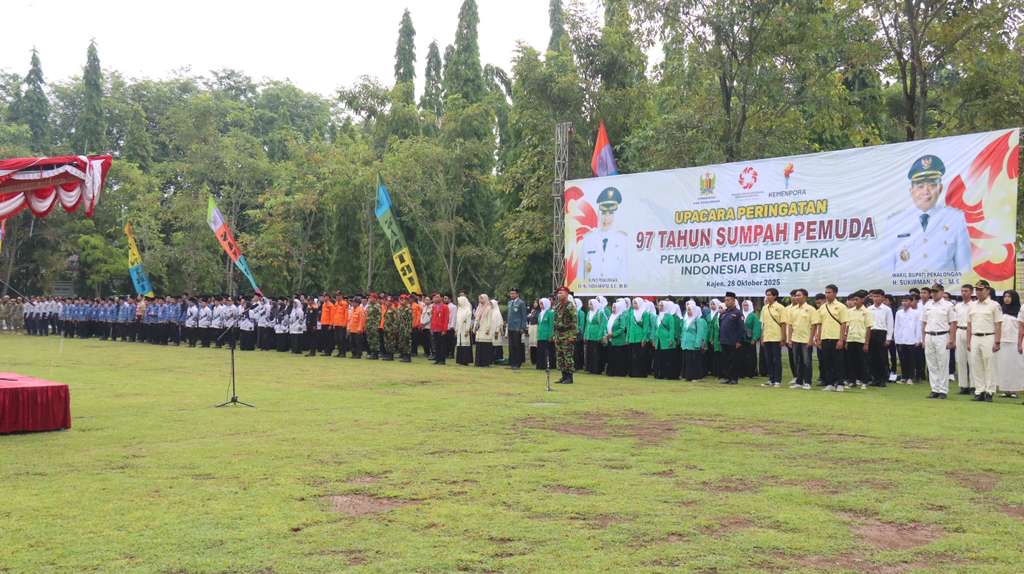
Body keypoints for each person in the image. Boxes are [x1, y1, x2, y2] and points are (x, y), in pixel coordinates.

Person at [885, 154, 972, 272]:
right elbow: (886, 271)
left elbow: (964, 268)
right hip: (906, 284)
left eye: (932, 185)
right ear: (911, 191)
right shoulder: (895, 222)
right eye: (920, 186)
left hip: (943, 284)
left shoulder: (955, 219)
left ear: (940, 189)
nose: (926, 191)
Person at [580, 187, 629, 283]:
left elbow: (627, 273)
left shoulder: (623, 240)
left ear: (615, 215)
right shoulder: (588, 239)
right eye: (603, 213)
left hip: (617, 289)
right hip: (592, 289)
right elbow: (581, 274)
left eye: (610, 213)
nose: (606, 218)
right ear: (599, 214)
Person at [967, 280, 1002, 402]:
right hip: (975, 337)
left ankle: (989, 391)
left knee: (989, 365)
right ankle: (979, 391)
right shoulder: (972, 305)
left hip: (989, 336)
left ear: (988, 290)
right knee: (976, 365)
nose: (978, 292)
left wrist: (997, 341)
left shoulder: (994, 305)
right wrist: (968, 341)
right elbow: (969, 325)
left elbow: (998, 324)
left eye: (981, 289)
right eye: (977, 289)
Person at [921, 284, 956, 399]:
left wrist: (952, 339)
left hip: (942, 335)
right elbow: (924, 322)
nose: (934, 294)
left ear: (942, 292)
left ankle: (943, 390)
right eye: (932, 291)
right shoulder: (927, 305)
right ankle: (934, 389)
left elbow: (953, 323)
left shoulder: (948, 305)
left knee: (943, 363)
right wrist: (923, 339)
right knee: (931, 364)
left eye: (936, 291)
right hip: (929, 335)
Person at [816, 284, 849, 392]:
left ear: (835, 293)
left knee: (838, 362)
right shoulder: (822, 307)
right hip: (825, 338)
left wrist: (841, 339)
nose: (827, 294)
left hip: (836, 338)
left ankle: (840, 383)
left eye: (829, 292)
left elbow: (844, 324)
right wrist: (818, 338)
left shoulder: (841, 307)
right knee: (827, 362)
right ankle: (830, 383)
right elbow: (820, 323)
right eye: (826, 292)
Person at [786, 289, 818, 390]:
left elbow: (814, 325)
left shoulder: (811, 309)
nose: (796, 297)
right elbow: (790, 325)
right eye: (796, 295)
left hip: (806, 340)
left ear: (805, 297)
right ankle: (799, 382)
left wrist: (811, 339)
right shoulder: (793, 309)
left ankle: (807, 382)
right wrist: (789, 339)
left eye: (799, 295)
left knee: (807, 361)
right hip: (795, 339)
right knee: (797, 361)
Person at [993, 290, 1022, 399]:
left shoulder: (1019, 311)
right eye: (1005, 296)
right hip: (1002, 342)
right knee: (1003, 367)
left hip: (1014, 342)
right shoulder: (1001, 310)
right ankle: (1005, 389)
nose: (1006, 298)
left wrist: (1020, 343)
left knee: (1014, 367)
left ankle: (1014, 390)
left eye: (1009, 296)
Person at [844, 291, 872, 389]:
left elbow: (868, 328)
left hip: (861, 340)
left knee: (863, 362)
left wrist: (866, 343)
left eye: (856, 299)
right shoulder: (850, 311)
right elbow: (847, 326)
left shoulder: (867, 312)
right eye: (853, 300)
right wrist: (846, 340)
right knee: (851, 362)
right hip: (851, 339)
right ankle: (852, 381)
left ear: (862, 300)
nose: (855, 302)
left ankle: (865, 381)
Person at [760, 288, 786, 388]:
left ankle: (777, 380)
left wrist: (783, 337)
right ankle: (771, 379)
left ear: (775, 296)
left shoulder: (780, 307)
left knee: (776, 359)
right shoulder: (764, 308)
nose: (768, 297)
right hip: (767, 336)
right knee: (768, 359)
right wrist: (762, 337)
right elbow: (763, 324)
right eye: (767, 295)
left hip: (776, 337)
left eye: (770, 295)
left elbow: (783, 323)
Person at [552, 286, 579, 384]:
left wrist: (573, 336)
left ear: (567, 294)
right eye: (558, 293)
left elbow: (575, 322)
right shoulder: (558, 306)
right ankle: (563, 376)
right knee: (560, 356)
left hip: (567, 335)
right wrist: (554, 335)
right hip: (559, 335)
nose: (559, 295)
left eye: (561, 293)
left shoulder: (570, 306)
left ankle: (569, 377)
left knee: (568, 356)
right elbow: (555, 322)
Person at [717, 292, 745, 385]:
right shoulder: (724, 313)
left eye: (728, 300)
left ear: (733, 301)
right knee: (725, 360)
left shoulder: (738, 313)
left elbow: (741, 328)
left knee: (734, 360)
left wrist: (739, 341)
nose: (726, 302)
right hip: (724, 340)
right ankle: (727, 377)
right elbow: (721, 326)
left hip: (733, 341)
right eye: (725, 300)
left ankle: (734, 378)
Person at [893, 296, 921, 384]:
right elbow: (896, 326)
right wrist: (896, 339)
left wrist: (918, 339)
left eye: (906, 301)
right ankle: (904, 376)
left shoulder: (916, 313)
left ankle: (910, 377)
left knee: (911, 360)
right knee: (902, 359)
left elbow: (918, 327)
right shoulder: (899, 313)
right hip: (901, 339)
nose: (904, 303)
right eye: (903, 301)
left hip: (911, 340)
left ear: (911, 302)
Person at [953, 285, 973, 394]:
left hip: (971, 332)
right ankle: (963, 385)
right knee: (960, 360)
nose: (964, 293)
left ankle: (974, 385)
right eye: (962, 291)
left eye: (966, 291)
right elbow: (954, 321)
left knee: (972, 360)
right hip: (960, 331)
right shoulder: (958, 306)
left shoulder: (974, 305)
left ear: (971, 292)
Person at [627, 297, 653, 378]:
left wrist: (644, 338)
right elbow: (629, 325)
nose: (634, 305)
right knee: (633, 356)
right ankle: (633, 373)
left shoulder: (645, 313)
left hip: (640, 337)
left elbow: (646, 327)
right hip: (632, 337)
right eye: (633, 303)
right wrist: (628, 337)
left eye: (635, 303)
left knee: (641, 356)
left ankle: (641, 373)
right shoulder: (631, 312)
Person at [605, 300, 629, 377]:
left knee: (619, 357)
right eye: (613, 307)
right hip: (611, 340)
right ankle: (611, 372)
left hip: (619, 341)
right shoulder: (611, 316)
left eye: (615, 307)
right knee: (611, 357)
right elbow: (607, 326)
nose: (613, 309)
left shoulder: (621, 316)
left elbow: (622, 328)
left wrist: (613, 334)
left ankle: (619, 372)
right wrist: (607, 334)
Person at [583, 298, 608, 374]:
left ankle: (597, 369)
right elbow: (587, 324)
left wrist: (600, 336)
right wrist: (585, 335)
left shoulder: (600, 313)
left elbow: (603, 325)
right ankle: (590, 368)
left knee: (596, 353)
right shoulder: (589, 313)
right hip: (589, 336)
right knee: (590, 353)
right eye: (589, 304)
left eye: (591, 304)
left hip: (596, 336)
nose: (589, 306)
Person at [506, 289, 528, 369]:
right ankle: (512, 363)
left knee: (517, 345)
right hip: (510, 327)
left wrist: (523, 327)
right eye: (511, 293)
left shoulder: (521, 303)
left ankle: (517, 364)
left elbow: (524, 316)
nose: (511, 295)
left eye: (513, 293)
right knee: (511, 346)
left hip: (517, 327)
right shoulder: (509, 303)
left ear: (517, 294)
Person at [741, 300, 760, 379]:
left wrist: (754, 338)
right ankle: (743, 372)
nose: (745, 307)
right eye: (744, 305)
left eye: (746, 305)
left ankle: (751, 373)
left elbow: (757, 327)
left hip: (750, 339)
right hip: (741, 340)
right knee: (742, 356)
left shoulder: (753, 316)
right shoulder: (740, 314)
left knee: (750, 356)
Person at [430, 293, 450, 365]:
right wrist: (432, 328)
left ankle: (442, 360)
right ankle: (437, 359)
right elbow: (433, 318)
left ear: (441, 298)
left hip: (441, 329)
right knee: (436, 345)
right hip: (435, 328)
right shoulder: (434, 307)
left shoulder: (445, 307)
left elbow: (446, 319)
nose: (436, 298)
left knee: (442, 345)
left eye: (437, 297)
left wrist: (444, 330)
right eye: (435, 297)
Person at [536, 298, 555, 370]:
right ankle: (540, 365)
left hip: (547, 335)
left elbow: (551, 325)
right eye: (540, 304)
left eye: (542, 304)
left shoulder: (550, 313)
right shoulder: (540, 313)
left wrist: (551, 335)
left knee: (547, 351)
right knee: (540, 351)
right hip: (540, 335)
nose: (541, 306)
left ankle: (548, 365)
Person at [455, 295, 474, 365]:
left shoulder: (468, 311)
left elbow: (468, 321)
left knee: (465, 343)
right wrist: (456, 329)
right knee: (460, 343)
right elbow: (457, 321)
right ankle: (460, 360)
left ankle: (465, 360)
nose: (458, 303)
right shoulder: (459, 310)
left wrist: (467, 330)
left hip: (464, 328)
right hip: (459, 329)